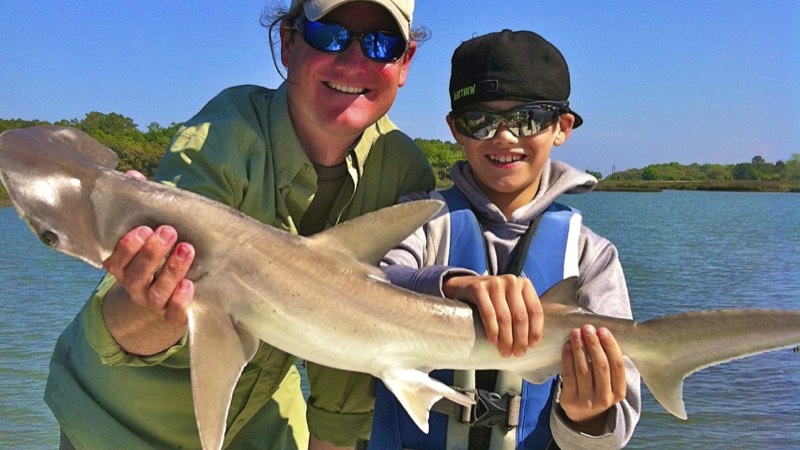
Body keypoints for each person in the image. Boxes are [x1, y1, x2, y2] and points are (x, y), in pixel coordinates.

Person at [44, 0, 435, 448]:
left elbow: (349, 363)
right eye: (330, 35)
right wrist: (153, 301)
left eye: (381, 44)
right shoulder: (223, 138)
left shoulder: (401, 169)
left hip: (263, 425)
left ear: (404, 64)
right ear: (288, 41)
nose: (353, 61)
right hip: (118, 424)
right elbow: (132, 323)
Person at [368, 30, 641, 449]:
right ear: (456, 130)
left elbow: (612, 434)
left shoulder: (591, 256)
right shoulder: (420, 218)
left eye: (527, 118)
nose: (504, 136)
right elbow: (363, 290)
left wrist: (589, 416)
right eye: (480, 120)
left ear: (561, 127)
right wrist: (451, 284)